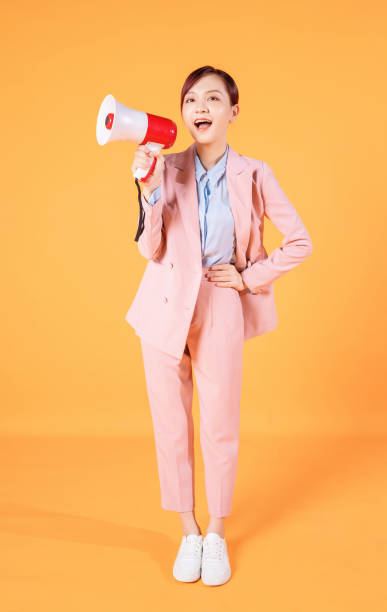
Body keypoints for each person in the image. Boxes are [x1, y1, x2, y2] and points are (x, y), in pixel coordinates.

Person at [126, 65, 313, 586]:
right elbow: (151, 246)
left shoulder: (254, 173)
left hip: (220, 305)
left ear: (233, 111)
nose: (200, 108)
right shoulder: (167, 166)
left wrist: (249, 276)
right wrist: (148, 188)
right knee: (171, 425)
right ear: (183, 113)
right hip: (163, 306)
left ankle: (216, 533)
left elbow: (299, 241)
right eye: (191, 100)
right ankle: (187, 531)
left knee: (219, 427)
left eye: (212, 99)